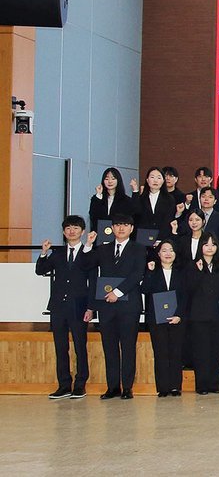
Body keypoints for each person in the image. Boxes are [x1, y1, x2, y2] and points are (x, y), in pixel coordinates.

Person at [81, 213, 141, 400]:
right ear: (112, 228)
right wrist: (88, 244)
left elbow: (137, 274)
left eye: (125, 225)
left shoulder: (139, 248)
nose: (121, 228)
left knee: (128, 347)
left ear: (131, 229)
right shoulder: (103, 249)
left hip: (129, 306)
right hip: (106, 307)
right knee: (110, 348)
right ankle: (112, 387)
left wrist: (118, 292)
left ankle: (127, 388)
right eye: (118, 225)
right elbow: (85, 264)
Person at [35, 215, 93, 399]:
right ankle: (64, 385)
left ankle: (80, 384)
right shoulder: (58, 253)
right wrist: (43, 253)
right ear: (63, 232)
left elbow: (93, 282)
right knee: (60, 347)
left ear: (82, 231)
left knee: (80, 346)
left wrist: (91, 308)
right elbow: (40, 270)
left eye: (75, 228)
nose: (71, 231)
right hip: (58, 306)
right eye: (68, 228)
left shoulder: (88, 252)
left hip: (79, 306)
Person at [143, 241, 189, 397]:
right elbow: (145, 290)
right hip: (157, 319)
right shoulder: (152, 270)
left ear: (175, 253)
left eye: (171, 250)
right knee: (160, 352)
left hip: (177, 319)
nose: (168, 253)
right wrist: (149, 272)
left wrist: (179, 315)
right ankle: (162, 387)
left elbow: (185, 296)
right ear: (158, 254)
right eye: (164, 250)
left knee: (176, 352)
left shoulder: (182, 272)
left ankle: (175, 386)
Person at [188, 233, 219, 394]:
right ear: (201, 246)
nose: (209, 248)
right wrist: (199, 272)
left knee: (217, 350)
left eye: (213, 244)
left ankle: (214, 385)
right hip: (199, 315)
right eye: (206, 244)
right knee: (201, 351)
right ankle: (202, 385)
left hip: (218, 314)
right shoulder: (193, 265)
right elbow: (189, 289)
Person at [88, 167, 135, 232]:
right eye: (106, 179)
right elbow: (92, 216)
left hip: (119, 234)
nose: (110, 181)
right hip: (100, 233)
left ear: (118, 180)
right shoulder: (97, 198)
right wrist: (98, 195)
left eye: (113, 178)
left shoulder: (126, 200)